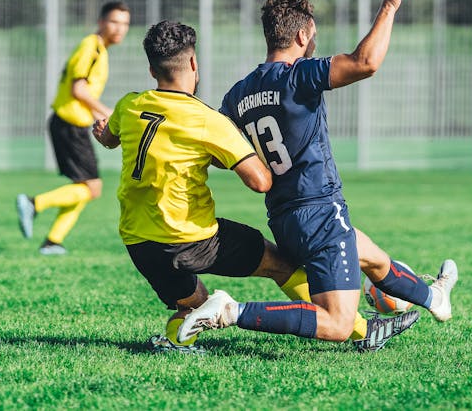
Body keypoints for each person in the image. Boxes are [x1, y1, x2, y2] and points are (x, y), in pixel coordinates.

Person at [181, 0, 457, 351]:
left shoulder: (239, 93)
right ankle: (231, 311)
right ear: (301, 35)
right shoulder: (299, 75)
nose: (315, 42)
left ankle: (434, 297)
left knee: (375, 260)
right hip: (320, 210)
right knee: (338, 323)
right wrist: (389, 7)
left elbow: (216, 152)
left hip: (284, 217)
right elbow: (365, 63)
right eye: (313, 34)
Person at [92, 21, 400, 353]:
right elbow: (260, 181)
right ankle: (360, 330)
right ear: (193, 63)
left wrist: (103, 132)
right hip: (192, 239)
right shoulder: (208, 120)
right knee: (280, 265)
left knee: (195, 306)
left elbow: (108, 137)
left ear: (152, 70)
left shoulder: (129, 105)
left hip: (139, 243)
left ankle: (175, 340)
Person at [15, 1, 130, 255]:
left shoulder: (100, 50)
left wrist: (101, 118)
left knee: (84, 187)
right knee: (92, 188)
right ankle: (34, 204)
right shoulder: (92, 47)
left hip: (73, 125)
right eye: (114, 22)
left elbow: (84, 94)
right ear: (101, 22)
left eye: (125, 24)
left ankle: (53, 242)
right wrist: (108, 113)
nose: (120, 28)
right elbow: (78, 90)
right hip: (68, 124)